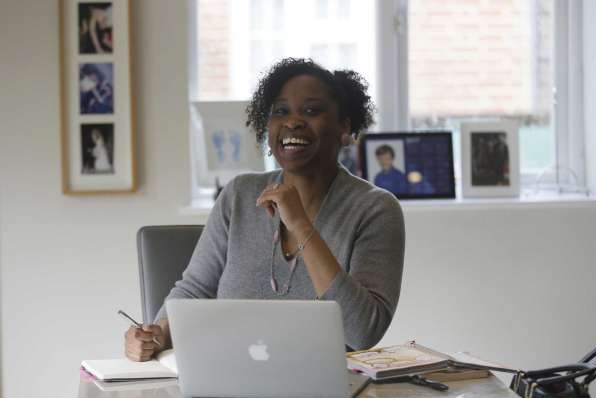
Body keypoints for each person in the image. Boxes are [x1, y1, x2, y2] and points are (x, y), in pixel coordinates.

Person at [124, 58, 405, 362]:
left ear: (344, 126)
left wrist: (300, 224)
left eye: (311, 111)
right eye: (280, 111)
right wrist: (158, 334)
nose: (293, 122)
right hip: (228, 378)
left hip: (326, 393)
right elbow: (194, 291)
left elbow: (363, 330)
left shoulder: (375, 209)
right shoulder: (239, 195)